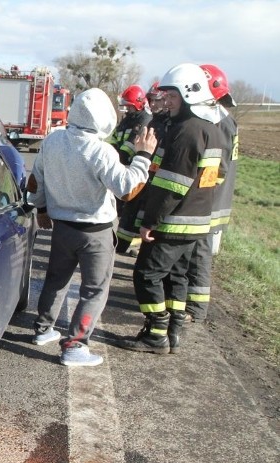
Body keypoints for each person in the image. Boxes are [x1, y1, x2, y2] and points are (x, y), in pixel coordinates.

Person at [27, 87, 155, 367]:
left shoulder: (53, 141)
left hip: (62, 227)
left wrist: (42, 209)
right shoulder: (101, 150)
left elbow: (36, 181)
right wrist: (143, 156)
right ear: (104, 118)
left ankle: (43, 329)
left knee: (56, 279)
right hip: (95, 232)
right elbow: (127, 189)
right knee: (94, 290)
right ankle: (75, 346)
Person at [118, 63, 224, 355]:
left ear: (190, 94)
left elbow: (171, 185)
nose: (167, 101)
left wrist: (149, 220)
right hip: (197, 222)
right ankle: (174, 331)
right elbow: (217, 176)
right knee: (176, 276)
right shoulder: (212, 130)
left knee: (146, 274)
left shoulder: (186, 130)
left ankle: (156, 334)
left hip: (174, 222)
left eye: (173, 96)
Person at [182, 64, 239, 323]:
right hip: (210, 199)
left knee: (200, 254)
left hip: (211, 201)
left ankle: (196, 309)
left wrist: (195, 194)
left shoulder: (221, 122)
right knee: (195, 252)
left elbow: (219, 168)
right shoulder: (221, 119)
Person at [115, 82, 170, 254]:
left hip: (153, 174)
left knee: (141, 213)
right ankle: (122, 246)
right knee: (132, 211)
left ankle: (132, 246)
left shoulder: (154, 121)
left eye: (156, 100)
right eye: (150, 100)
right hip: (141, 168)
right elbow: (130, 144)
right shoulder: (152, 120)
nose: (152, 104)